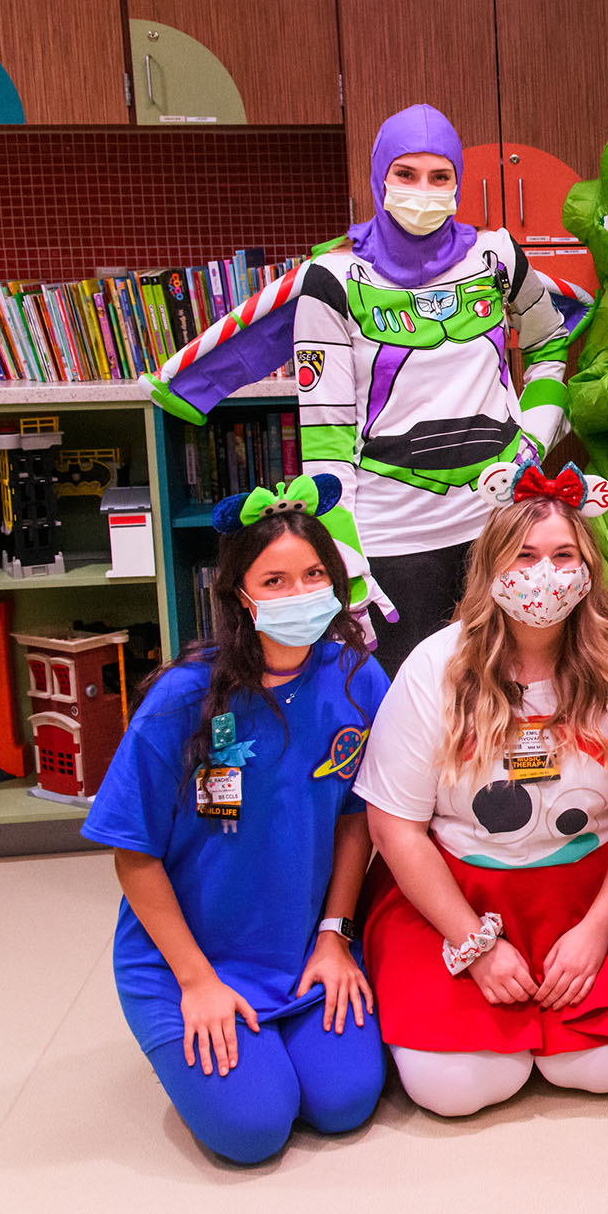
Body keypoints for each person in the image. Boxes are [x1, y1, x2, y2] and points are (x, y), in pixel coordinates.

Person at [81, 478, 388, 1165]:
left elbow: (356, 817)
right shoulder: (182, 697)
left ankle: (277, 1036)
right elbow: (132, 850)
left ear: (338, 582)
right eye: (273, 579)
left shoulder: (357, 678)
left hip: (302, 949)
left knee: (345, 1101)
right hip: (186, 958)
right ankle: (227, 1041)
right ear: (240, 597)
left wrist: (335, 936)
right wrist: (196, 979)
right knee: (254, 1128)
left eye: (313, 574)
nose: (298, 592)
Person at [356, 464, 608, 1117]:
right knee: (456, 1089)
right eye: (524, 555)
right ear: (491, 566)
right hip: (457, 895)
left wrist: (595, 931)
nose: (544, 573)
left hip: (592, 890)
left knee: (605, 1068)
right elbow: (394, 827)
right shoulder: (434, 667)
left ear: (588, 569)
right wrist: (474, 946)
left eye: (563, 555)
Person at [296, 103, 582, 673]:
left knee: (512, 700)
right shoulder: (331, 279)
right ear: (379, 178)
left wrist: (533, 439)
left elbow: (550, 347)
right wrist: (344, 558)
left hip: (499, 527)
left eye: (439, 176)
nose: (422, 191)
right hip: (393, 542)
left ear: (457, 179)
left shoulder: (496, 257)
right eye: (405, 174)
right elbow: (325, 440)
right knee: (409, 716)